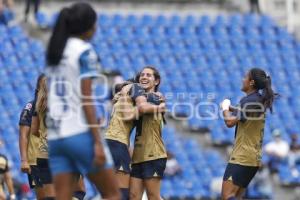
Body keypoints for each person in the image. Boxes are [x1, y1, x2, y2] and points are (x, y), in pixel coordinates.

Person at [46, 2, 120, 200]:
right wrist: (96, 140)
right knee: (112, 194)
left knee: (63, 197)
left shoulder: (56, 50)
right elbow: (87, 98)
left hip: (55, 136)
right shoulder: (84, 51)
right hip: (79, 133)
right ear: (88, 27)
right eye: (95, 24)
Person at [220, 68, 277, 200]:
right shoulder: (257, 100)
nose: (242, 79)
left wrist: (224, 107)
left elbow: (229, 122)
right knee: (237, 196)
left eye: (245, 77)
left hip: (242, 157)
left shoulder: (248, 101)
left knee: (227, 196)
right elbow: (244, 113)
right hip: (253, 158)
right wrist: (231, 107)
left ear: (251, 82)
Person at [106, 79, 166, 200]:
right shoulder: (132, 95)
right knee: (122, 193)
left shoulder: (121, 101)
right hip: (118, 142)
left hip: (110, 142)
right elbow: (131, 114)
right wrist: (160, 106)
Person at [130, 66, 167, 200]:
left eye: (148, 75)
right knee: (134, 196)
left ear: (156, 81)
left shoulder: (154, 97)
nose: (144, 77)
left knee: (153, 196)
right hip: (138, 156)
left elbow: (141, 107)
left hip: (153, 154)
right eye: (142, 75)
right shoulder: (142, 97)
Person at [19, 74, 47, 200]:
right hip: (35, 159)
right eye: (45, 83)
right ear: (38, 88)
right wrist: (24, 160)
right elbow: (23, 135)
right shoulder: (30, 107)